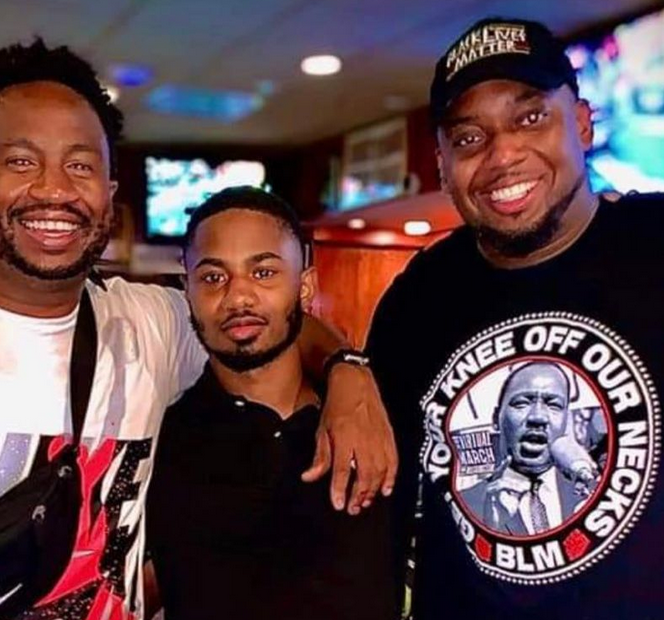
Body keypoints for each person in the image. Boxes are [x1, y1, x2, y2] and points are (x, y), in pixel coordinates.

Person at [0, 40, 396, 620]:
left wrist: (349, 372)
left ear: (109, 193)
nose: (54, 189)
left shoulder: (152, 321)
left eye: (80, 165)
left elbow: (262, 327)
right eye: (21, 161)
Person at [366, 16, 664, 620]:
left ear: (581, 122)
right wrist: (344, 363)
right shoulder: (418, 296)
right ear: (444, 165)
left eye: (531, 118)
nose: (503, 154)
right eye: (470, 137)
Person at [144, 187, 396, 620]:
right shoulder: (159, 443)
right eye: (212, 277)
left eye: (263, 273)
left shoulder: (373, 418)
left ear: (305, 286)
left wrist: (347, 367)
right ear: (186, 291)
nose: (238, 297)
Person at [459, 361, 596, 536]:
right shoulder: (466, 502)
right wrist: (492, 529)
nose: (538, 417)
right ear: (496, 419)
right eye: (521, 403)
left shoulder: (589, 496)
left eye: (554, 405)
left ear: (565, 421)